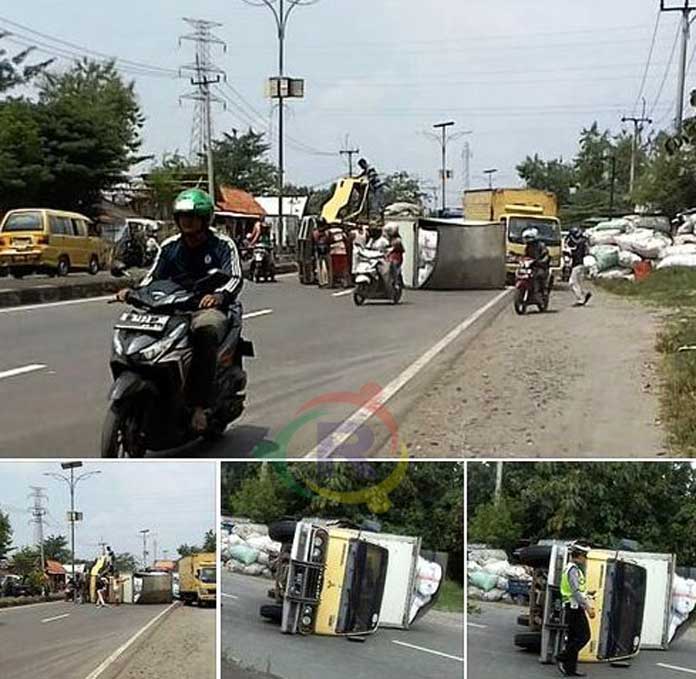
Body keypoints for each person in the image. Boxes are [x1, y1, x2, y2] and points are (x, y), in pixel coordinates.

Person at [116, 188, 244, 434]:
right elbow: (152, 278)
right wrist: (132, 292)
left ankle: (199, 407)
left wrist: (219, 295)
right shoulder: (170, 246)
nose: (187, 222)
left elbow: (236, 277)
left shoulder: (222, 245)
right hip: (171, 307)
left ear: (205, 219)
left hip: (205, 307)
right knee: (134, 327)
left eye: (193, 217)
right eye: (183, 216)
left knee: (204, 332)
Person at [556, 543, 595, 677]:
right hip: (574, 608)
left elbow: (578, 590)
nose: (585, 560)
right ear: (578, 557)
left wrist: (588, 593)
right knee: (585, 636)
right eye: (584, 556)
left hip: (572, 607)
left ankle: (570, 670)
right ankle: (563, 656)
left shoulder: (572, 569)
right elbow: (575, 591)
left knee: (573, 638)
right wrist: (588, 607)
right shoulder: (573, 570)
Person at [567, 227, 592, 307]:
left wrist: (569, 253)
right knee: (578, 282)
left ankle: (581, 299)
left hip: (577, 264)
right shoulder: (583, 241)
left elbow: (576, 253)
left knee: (572, 282)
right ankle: (584, 294)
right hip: (581, 264)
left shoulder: (579, 243)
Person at [522, 227, 550, 298]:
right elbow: (526, 256)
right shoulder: (528, 247)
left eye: (528, 237)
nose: (526, 239)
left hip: (540, 266)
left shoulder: (541, 245)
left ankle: (543, 291)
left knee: (539, 275)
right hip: (531, 266)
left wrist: (541, 261)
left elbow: (546, 255)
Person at [384, 224, 405, 288]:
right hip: (390, 256)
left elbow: (395, 247)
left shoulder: (397, 240)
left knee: (395, 267)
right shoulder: (389, 239)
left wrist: (389, 251)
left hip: (396, 256)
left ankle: (396, 283)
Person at [313, 220, 331, 288]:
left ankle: (322, 282)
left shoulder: (315, 233)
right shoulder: (327, 232)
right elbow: (329, 241)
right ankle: (326, 282)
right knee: (326, 267)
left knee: (320, 267)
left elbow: (313, 242)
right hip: (325, 251)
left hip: (319, 251)